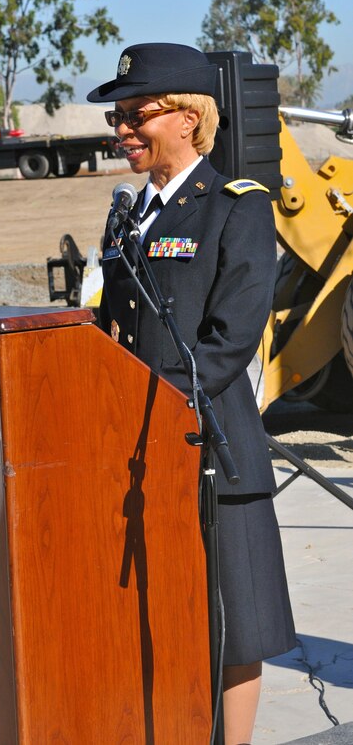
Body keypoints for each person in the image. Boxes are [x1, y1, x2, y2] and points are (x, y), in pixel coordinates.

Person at [87, 43, 296, 745]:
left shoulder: (234, 207)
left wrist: (148, 399)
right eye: (116, 117)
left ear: (186, 117)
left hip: (211, 448)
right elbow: (109, 327)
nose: (120, 130)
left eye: (133, 114)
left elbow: (229, 337)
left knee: (235, 624)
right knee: (154, 613)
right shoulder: (125, 218)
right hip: (131, 451)